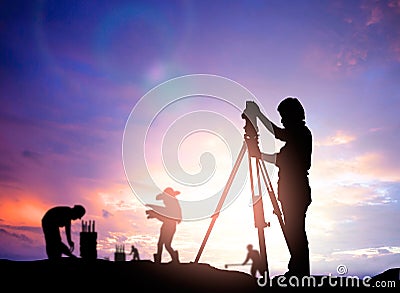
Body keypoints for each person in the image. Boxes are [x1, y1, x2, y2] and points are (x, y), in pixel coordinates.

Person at [245, 98, 312, 277]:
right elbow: (280, 153)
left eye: (283, 117)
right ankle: (297, 270)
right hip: (293, 192)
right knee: (294, 231)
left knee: (295, 232)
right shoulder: (298, 136)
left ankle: (299, 272)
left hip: (295, 192)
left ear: (292, 116)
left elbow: (280, 150)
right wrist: (259, 154)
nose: (282, 121)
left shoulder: (301, 133)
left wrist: (259, 116)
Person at [146, 187, 182, 263]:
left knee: (165, 244)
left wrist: (154, 214)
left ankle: (171, 259)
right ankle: (172, 259)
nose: (164, 201)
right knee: (164, 244)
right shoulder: (172, 204)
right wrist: (153, 214)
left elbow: (165, 216)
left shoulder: (172, 205)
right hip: (168, 225)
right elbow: (163, 213)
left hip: (169, 226)